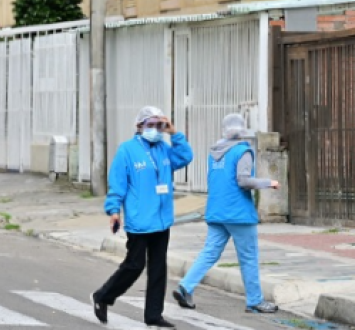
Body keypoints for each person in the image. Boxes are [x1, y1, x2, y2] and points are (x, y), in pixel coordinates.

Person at [91, 106, 193, 328]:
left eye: (159, 125)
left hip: (161, 220)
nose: (155, 129)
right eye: (151, 125)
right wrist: (114, 211)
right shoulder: (126, 151)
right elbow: (117, 185)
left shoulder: (164, 148)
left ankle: (153, 315)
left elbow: (186, 156)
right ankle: (103, 296)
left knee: (158, 269)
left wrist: (174, 132)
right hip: (139, 221)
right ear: (139, 127)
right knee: (134, 265)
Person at [173, 112, 279, 315]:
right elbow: (244, 180)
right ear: (242, 129)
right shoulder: (242, 151)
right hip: (238, 213)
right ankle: (255, 301)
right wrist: (268, 182)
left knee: (209, 253)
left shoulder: (214, 153)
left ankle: (185, 287)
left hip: (216, 212)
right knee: (248, 257)